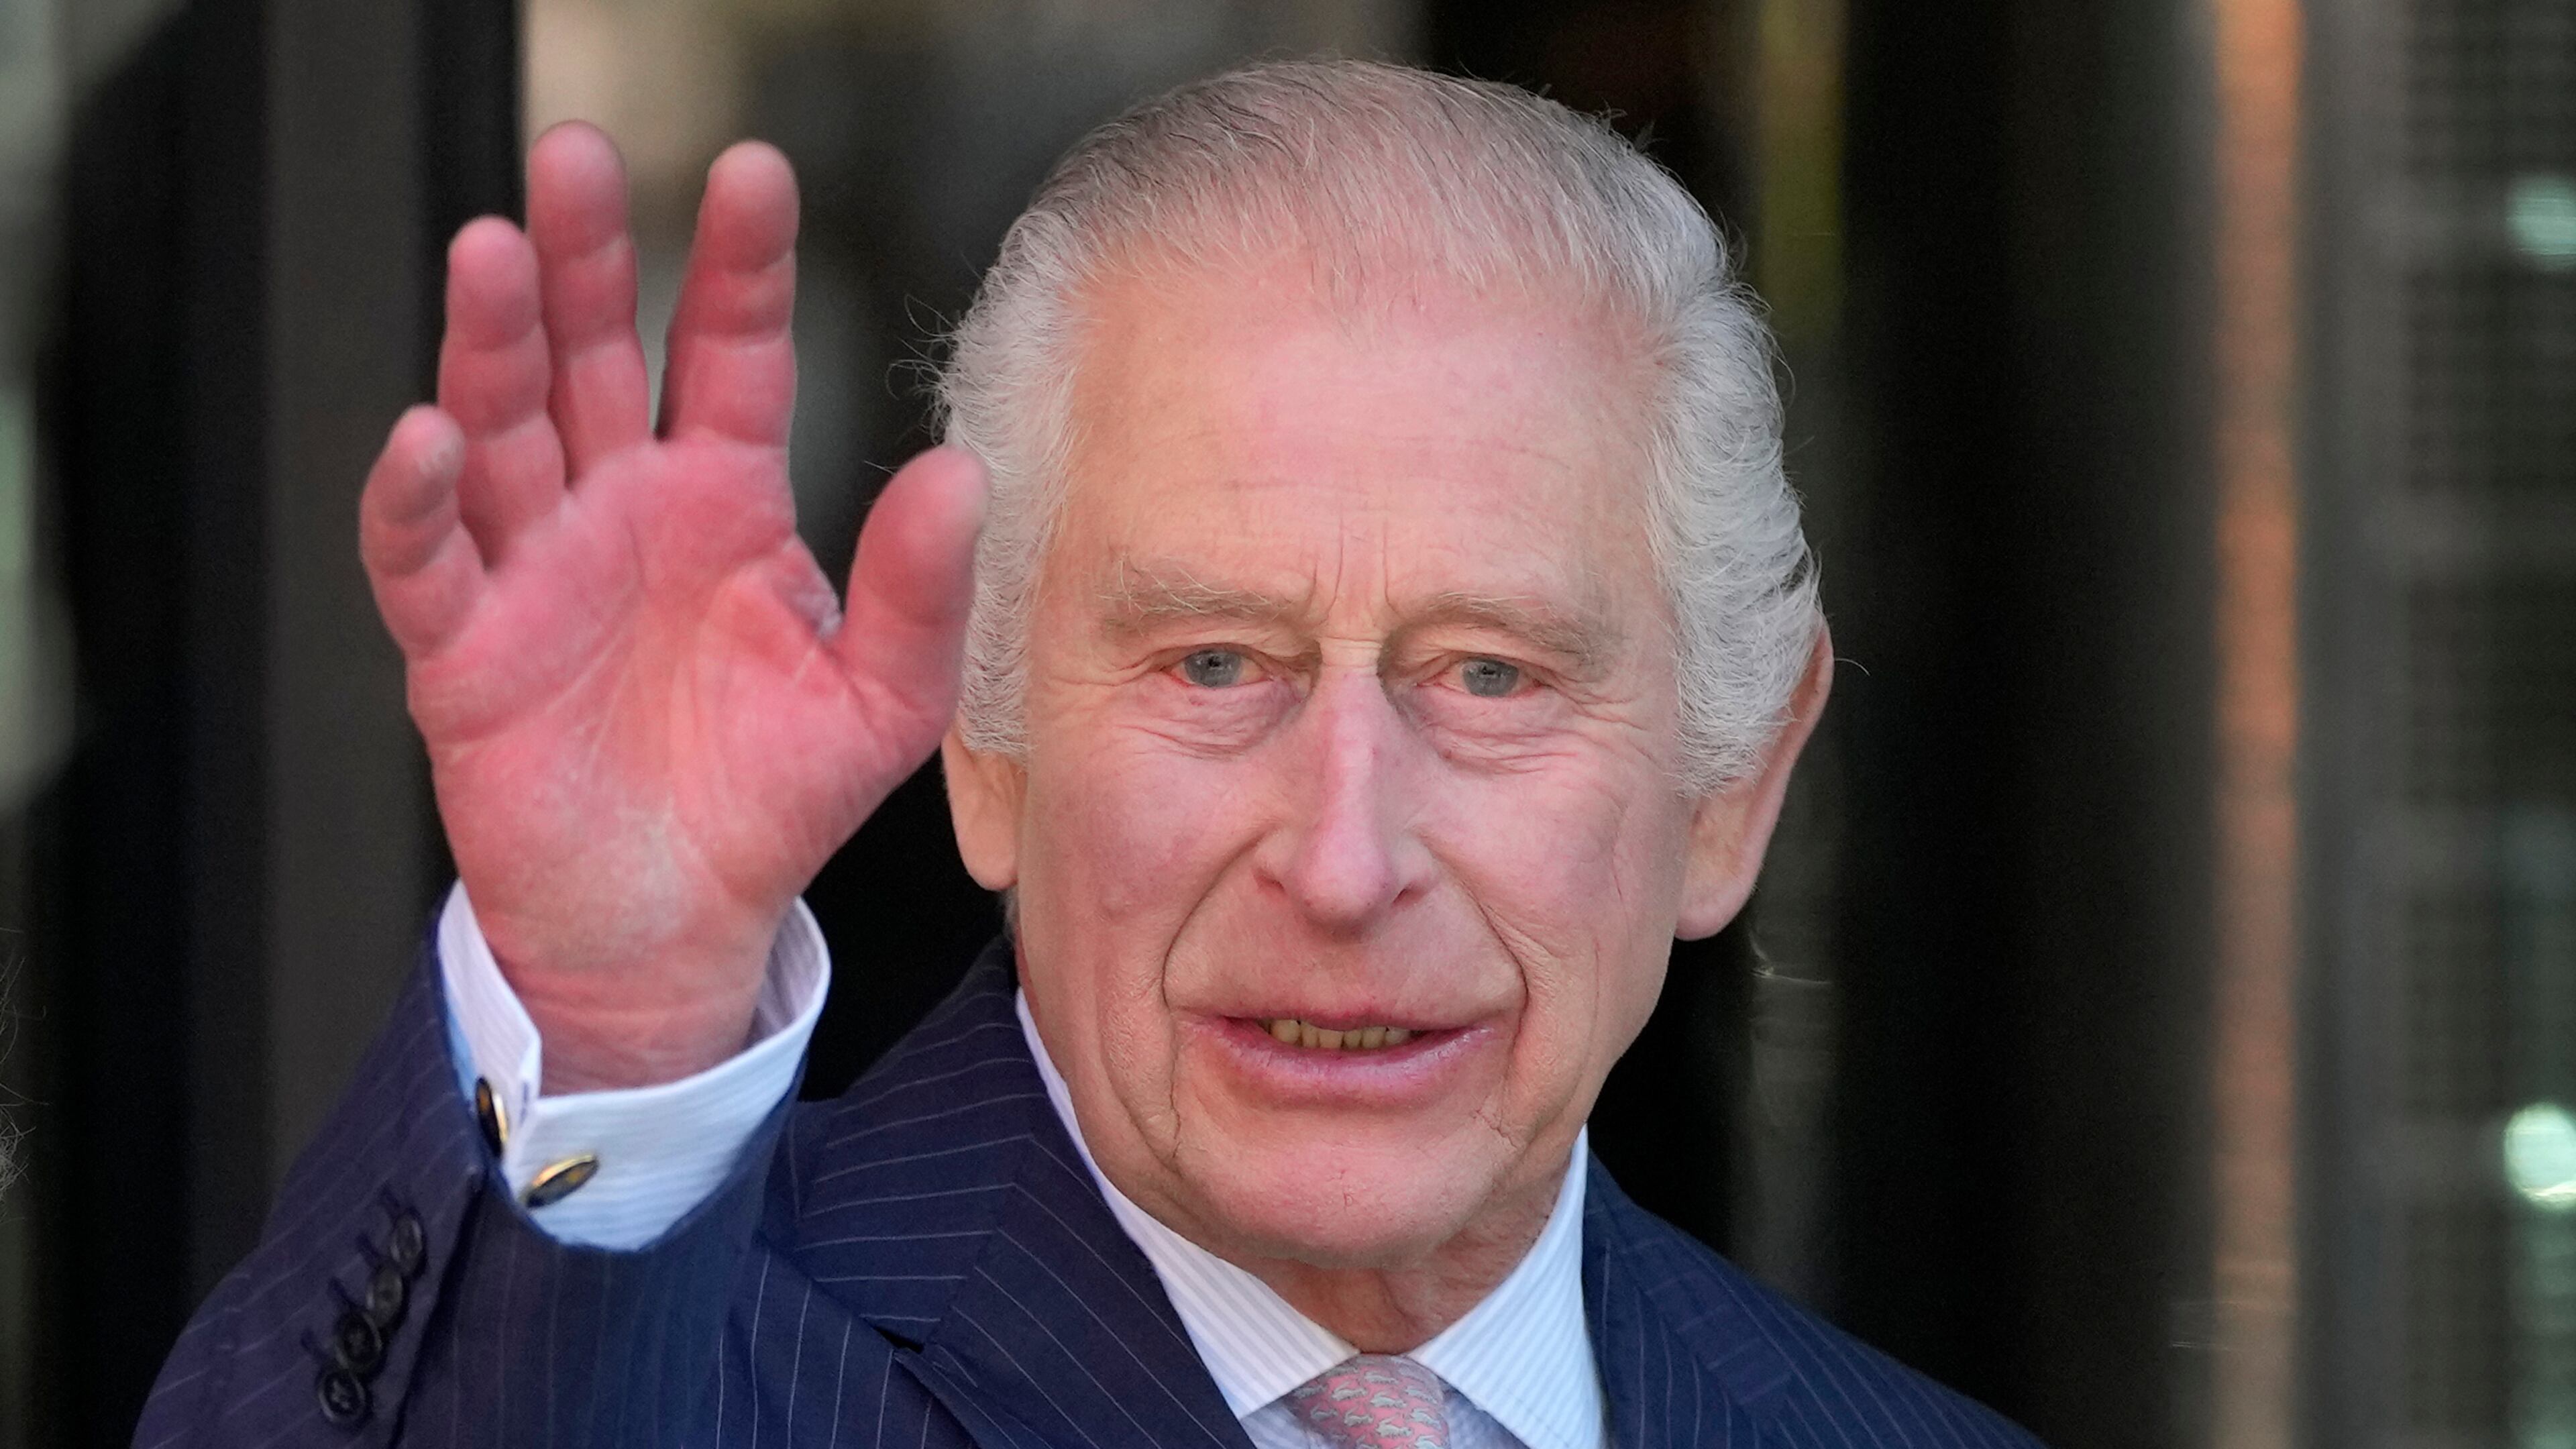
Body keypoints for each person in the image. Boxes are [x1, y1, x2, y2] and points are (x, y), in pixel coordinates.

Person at [139, 60, 2043, 1449]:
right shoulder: (688, 1381)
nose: (1344, 854)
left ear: (1731, 791)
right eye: (1217, 662)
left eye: (1489, 678)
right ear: (984, 747)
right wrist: (614, 1017)